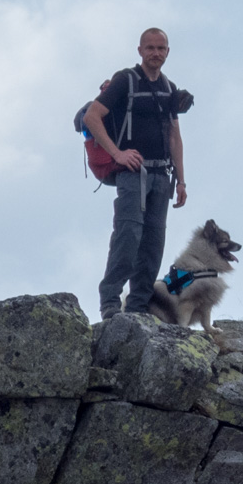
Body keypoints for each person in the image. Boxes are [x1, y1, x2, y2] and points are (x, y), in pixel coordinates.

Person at [84, 28, 187, 318]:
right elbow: (93, 117)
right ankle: (110, 305)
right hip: (133, 174)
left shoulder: (168, 88)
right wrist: (117, 154)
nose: (155, 53)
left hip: (161, 177)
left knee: (153, 244)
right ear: (140, 51)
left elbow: (174, 137)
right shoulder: (125, 80)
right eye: (150, 48)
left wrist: (181, 180)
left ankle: (139, 309)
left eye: (161, 48)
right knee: (128, 237)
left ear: (168, 52)